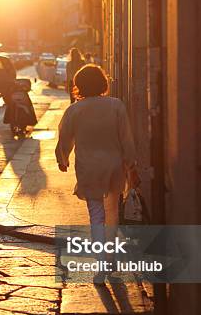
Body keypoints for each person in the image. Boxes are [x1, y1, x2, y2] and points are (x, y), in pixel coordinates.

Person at [55, 65, 140, 281]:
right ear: (103, 83)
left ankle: (101, 263)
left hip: (88, 168)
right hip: (114, 167)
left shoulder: (74, 110)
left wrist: (62, 159)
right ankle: (109, 258)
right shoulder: (116, 106)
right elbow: (126, 140)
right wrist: (132, 166)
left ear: (78, 86)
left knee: (96, 215)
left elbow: (65, 139)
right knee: (112, 213)